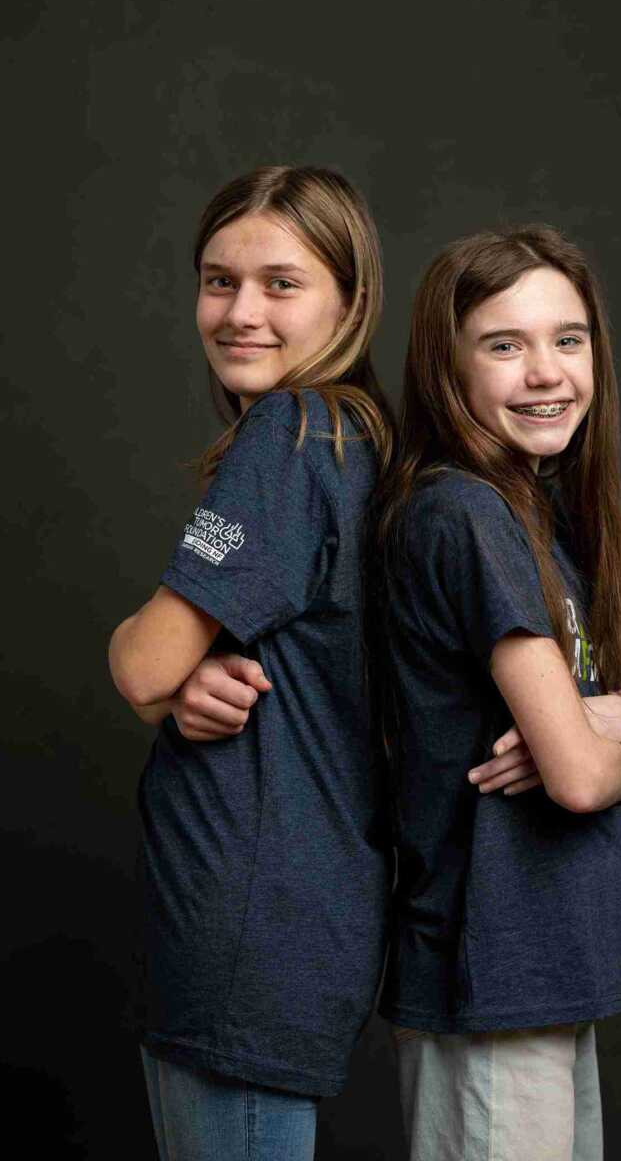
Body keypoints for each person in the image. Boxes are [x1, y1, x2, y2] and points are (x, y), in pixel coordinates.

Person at [371, 225, 621, 1160]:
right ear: (447, 366)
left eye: (568, 339)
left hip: (543, 971)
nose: (547, 372)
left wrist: (618, 720)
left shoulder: (538, 518)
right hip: (489, 972)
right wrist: (615, 741)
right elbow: (587, 781)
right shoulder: (465, 514)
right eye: (505, 345)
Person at [108, 165, 394, 1161]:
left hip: (248, 936)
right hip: (291, 924)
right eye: (217, 280)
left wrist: (164, 666)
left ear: (351, 300)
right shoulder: (361, 435)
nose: (239, 312)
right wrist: (189, 674)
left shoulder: (291, 433)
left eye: (281, 283)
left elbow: (142, 662)